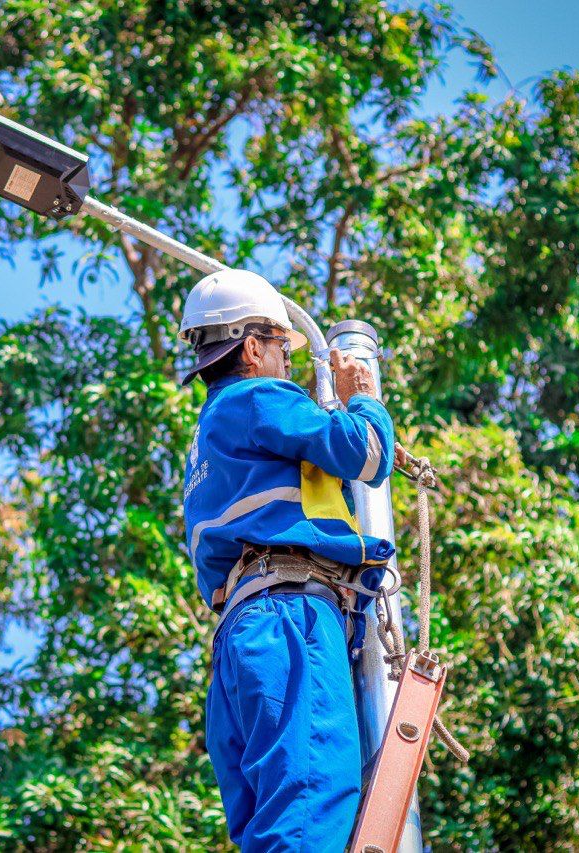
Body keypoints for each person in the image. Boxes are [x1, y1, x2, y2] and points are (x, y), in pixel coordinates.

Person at [179, 268, 400, 852]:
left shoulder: (209, 440)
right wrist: (363, 400)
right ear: (252, 347)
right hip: (288, 620)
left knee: (273, 825)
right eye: (281, 346)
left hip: (243, 635)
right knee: (308, 804)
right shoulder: (257, 398)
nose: (286, 362)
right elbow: (367, 453)